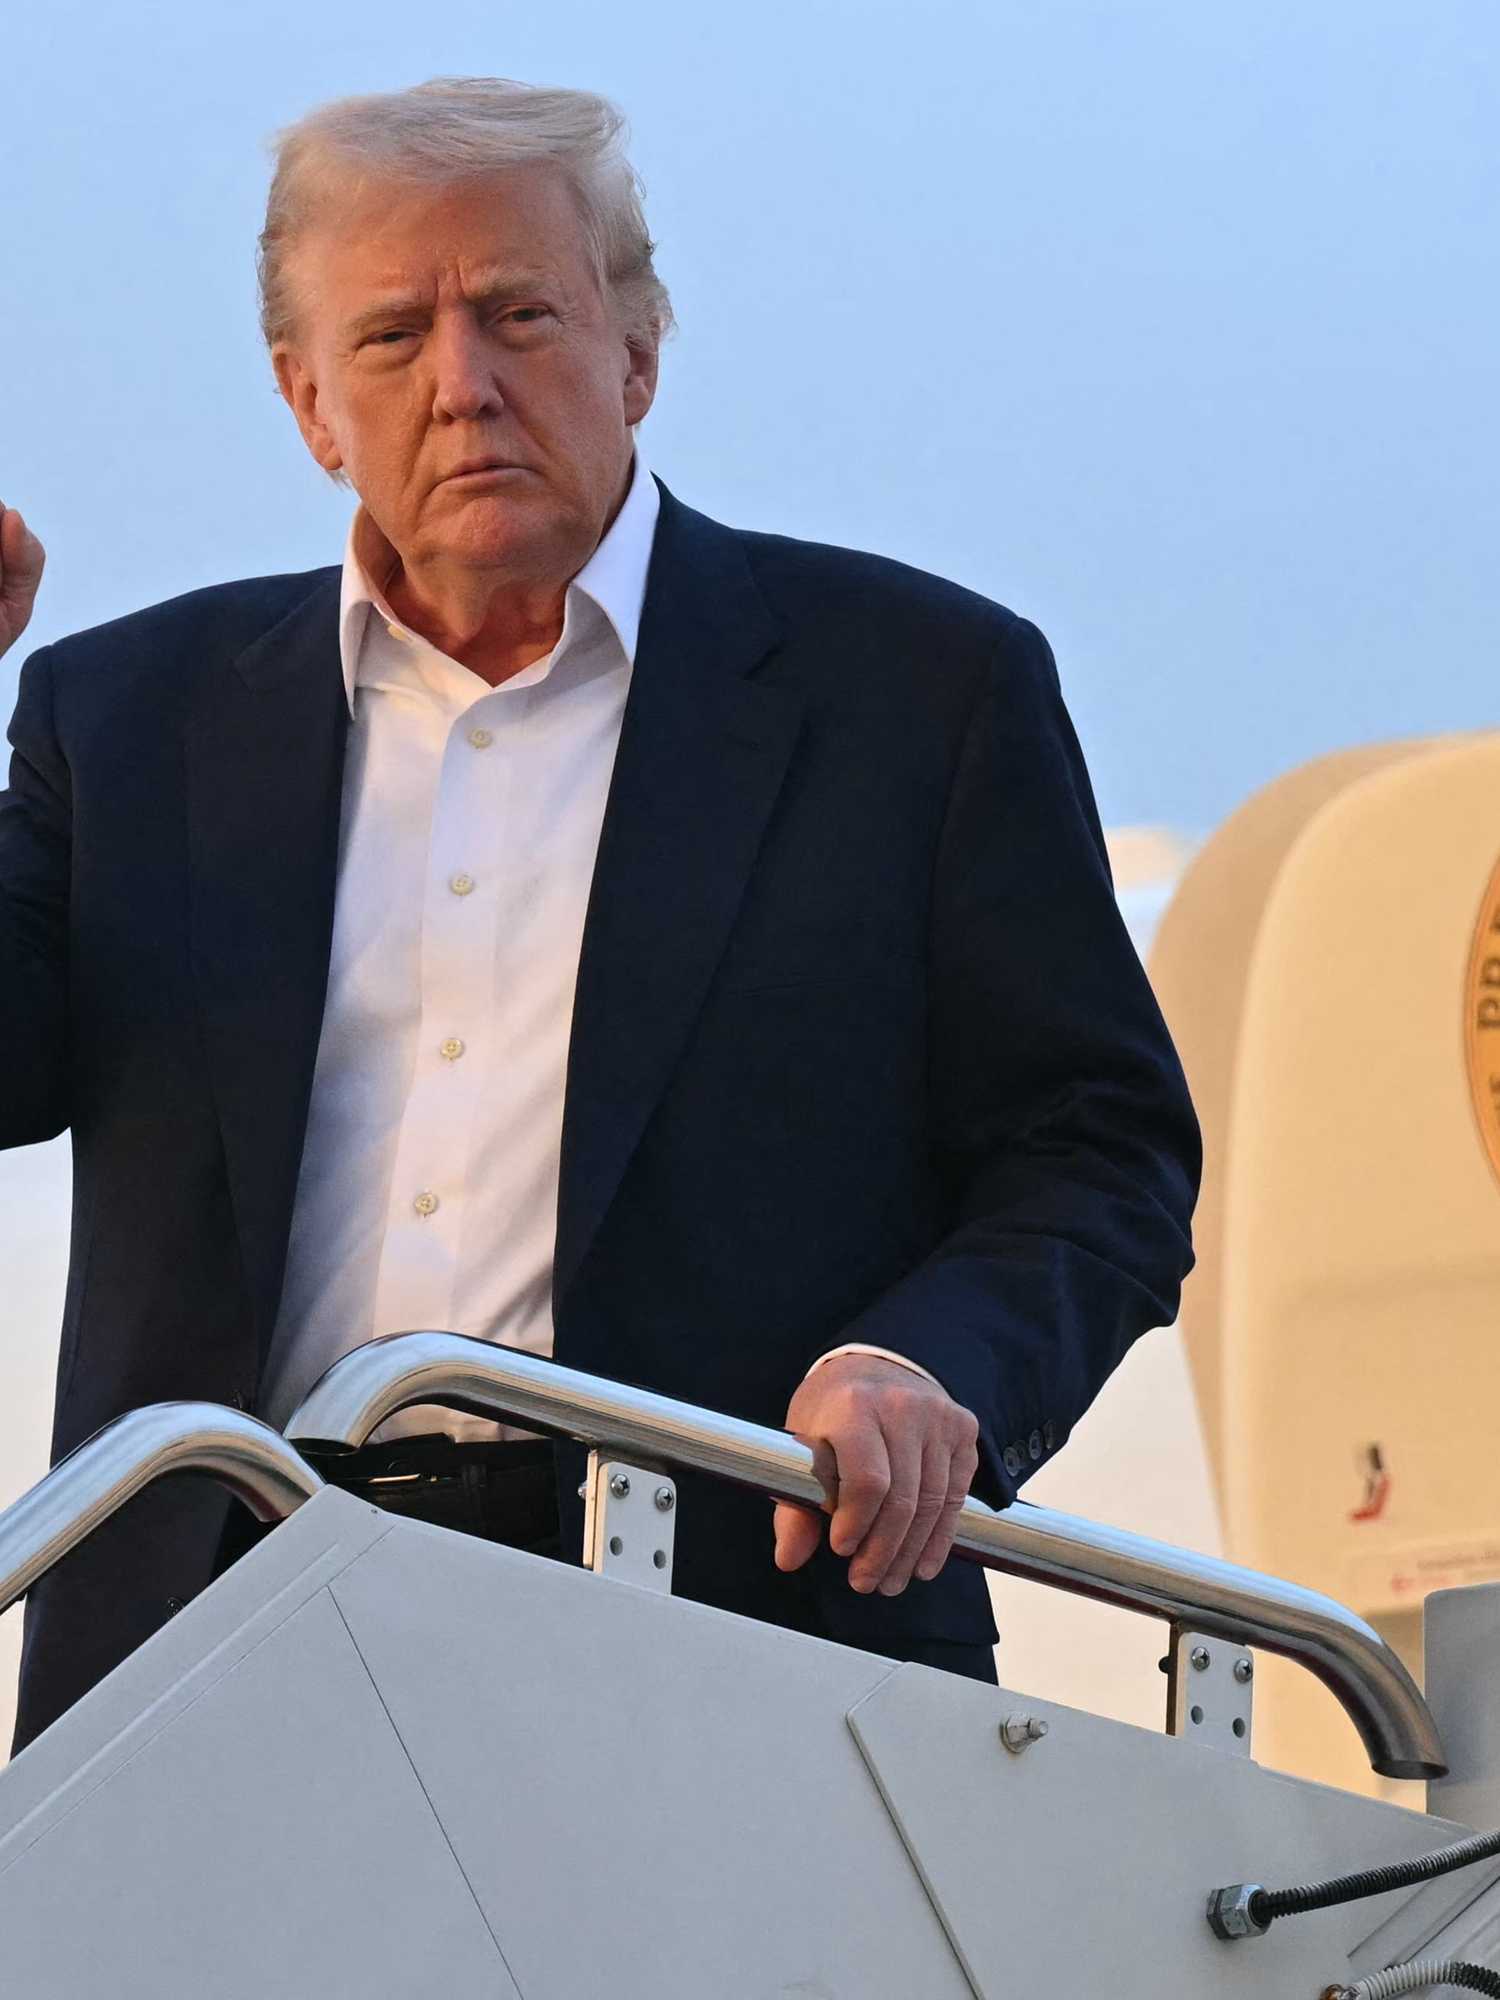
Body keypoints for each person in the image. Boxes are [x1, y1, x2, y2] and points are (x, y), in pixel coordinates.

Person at [0, 76, 1201, 1758]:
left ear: (638, 347)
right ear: (307, 403)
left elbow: (1102, 1148)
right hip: (218, 1649)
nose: (463, 385)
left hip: (743, 1633)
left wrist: (925, 1368)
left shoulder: (921, 694)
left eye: (518, 313)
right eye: (393, 337)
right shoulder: (121, 718)